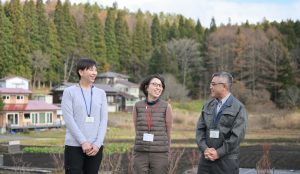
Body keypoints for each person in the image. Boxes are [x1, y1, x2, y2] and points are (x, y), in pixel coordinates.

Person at [62, 58, 108, 174]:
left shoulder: (101, 93)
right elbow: (69, 119)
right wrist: (83, 142)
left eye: (95, 70)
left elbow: (104, 120)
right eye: (90, 70)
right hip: (74, 145)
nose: (94, 73)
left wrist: (98, 144)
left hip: (95, 147)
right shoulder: (69, 92)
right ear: (81, 72)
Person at [196, 71, 247, 174]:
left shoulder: (238, 108)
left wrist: (219, 153)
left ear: (224, 86)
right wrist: (205, 149)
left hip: (227, 161)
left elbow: (237, 136)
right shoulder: (207, 105)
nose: (210, 87)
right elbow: (200, 130)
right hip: (206, 160)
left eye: (213, 84)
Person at [132, 74, 173, 174]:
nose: (158, 87)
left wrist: (167, 152)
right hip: (141, 152)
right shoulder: (137, 106)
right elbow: (137, 129)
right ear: (146, 87)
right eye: (155, 84)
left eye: (160, 85)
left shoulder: (166, 106)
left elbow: (168, 131)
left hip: (160, 153)